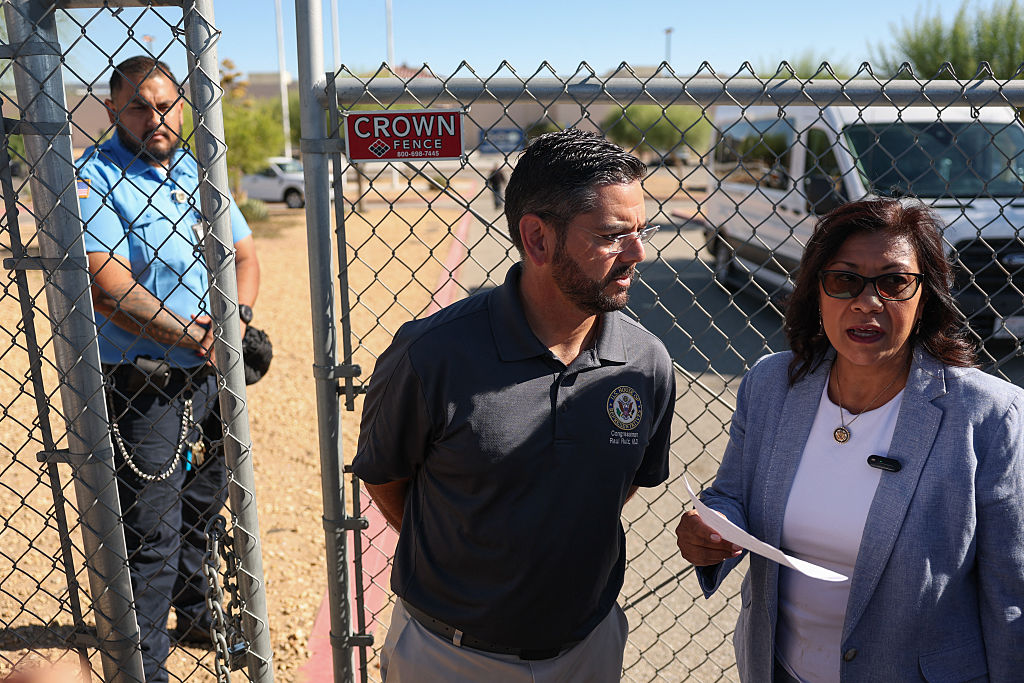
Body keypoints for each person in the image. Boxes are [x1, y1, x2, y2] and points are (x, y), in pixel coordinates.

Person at [352, 128, 675, 682]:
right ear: (537, 239)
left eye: (640, 231)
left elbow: (617, 487)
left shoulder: (646, 362)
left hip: (588, 650)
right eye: (613, 235)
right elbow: (385, 480)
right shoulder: (432, 355)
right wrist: (465, 558)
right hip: (449, 657)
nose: (638, 253)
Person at [675, 198, 1024, 681]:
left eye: (894, 282)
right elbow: (730, 495)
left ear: (927, 295)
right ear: (817, 291)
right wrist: (709, 530)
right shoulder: (772, 384)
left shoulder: (988, 414)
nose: (868, 301)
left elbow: (1011, 593)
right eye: (844, 280)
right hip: (780, 668)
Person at [77, 56, 260, 682]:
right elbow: (110, 286)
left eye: (166, 105)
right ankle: (145, 666)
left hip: (210, 373)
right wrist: (201, 335)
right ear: (112, 110)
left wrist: (241, 318)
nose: (156, 118)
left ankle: (196, 611)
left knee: (205, 506)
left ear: (182, 105)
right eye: (139, 106)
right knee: (152, 527)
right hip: (146, 381)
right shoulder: (96, 176)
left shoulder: (198, 170)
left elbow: (242, 252)